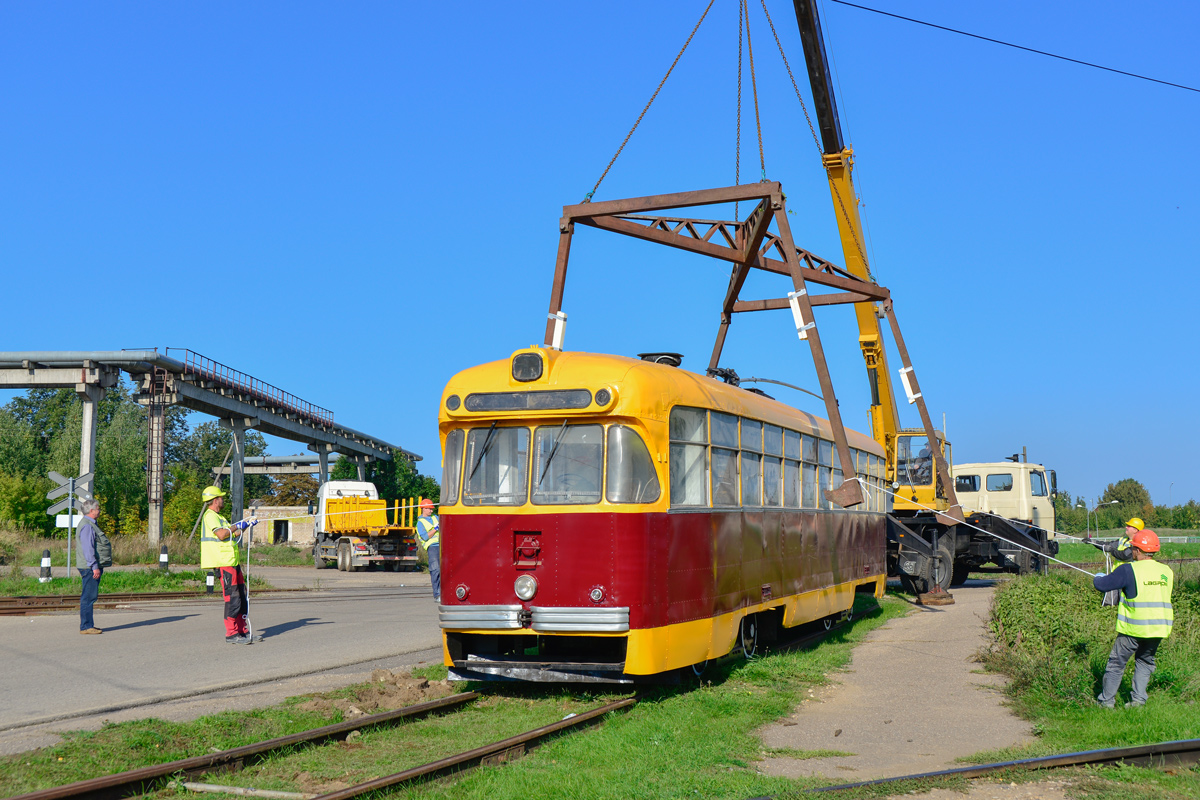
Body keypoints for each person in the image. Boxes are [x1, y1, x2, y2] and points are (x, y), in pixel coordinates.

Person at [1092, 528, 1174, 708]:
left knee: (1117, 664)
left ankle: (1106, 701)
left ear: (1137, 550)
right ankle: (1138, 701)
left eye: (1133, 548)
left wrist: (1097, 578)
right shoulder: (1166, 571)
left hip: (1133, 629)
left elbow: (1103, 585)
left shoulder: (1129, 570)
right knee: (1145, 662)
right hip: (1158, 628)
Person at [199, 486, 260, 644]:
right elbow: (222, 534)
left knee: (241, 597)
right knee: (232, 598)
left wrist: (246, 526)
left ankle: (242, 631)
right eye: (221, 497)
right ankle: (231, 634)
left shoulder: (221, 518)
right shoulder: (210, 516)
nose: (223, 499)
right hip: (223, 563)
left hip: (232, 562)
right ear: (215, 500)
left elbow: (234, 532)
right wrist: (236, 526)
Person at [75, 496, 107, 635]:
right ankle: (86, 627)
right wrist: (94, 566)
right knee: (88, 597)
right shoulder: (87, 525)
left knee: (89, 596)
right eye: (98, 508)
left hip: (89, 566)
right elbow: (88, 548)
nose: (99, 511)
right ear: (92, 510)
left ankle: (88, 625)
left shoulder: (89, 523)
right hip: (89, 568)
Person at [416, 499, 440, 601]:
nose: (431, 511)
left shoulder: (435, 517)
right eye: (429, 509)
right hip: (432, 547)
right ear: (424, 509)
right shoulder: (420, 523)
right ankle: (438, 594)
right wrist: (435, 529)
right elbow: (425, 537)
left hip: (443, 545)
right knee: (436, 570)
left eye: (431, 509)